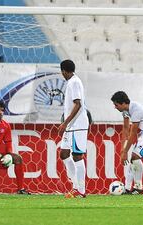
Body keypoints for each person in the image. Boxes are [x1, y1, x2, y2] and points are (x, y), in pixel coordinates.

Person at [111, 91, 143, 194]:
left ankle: (138, 188)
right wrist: (123, 149)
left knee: (135, 156)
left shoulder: (136, 110)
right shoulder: (126, 110)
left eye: (116, 105)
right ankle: (127, 188)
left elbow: (133, 133)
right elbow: (126, 129)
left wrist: (125, 152)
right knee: (133, 159)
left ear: (123, 103)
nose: (115, 107)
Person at [58, 59, 89, 198]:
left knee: (77, 155)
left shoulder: (75, 82)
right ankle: (75, 185)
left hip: (77, 125)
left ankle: (80, 190)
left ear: (63, 71)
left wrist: (65, 123)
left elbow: (78, 104)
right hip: (71, 125)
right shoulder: (71, 82)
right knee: (64, 153)